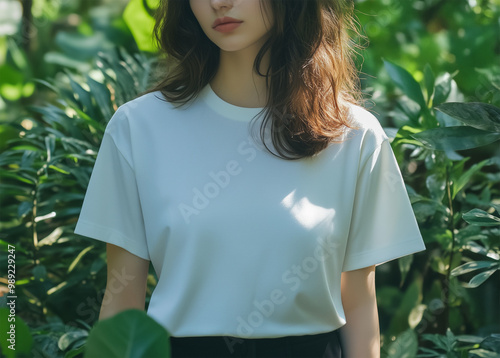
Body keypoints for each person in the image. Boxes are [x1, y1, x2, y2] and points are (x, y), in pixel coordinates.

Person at [74, 0, 426, 357]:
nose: (218, 3)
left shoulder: (355, 135)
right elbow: (121, 303)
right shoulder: (139, 128)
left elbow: (360, 305)